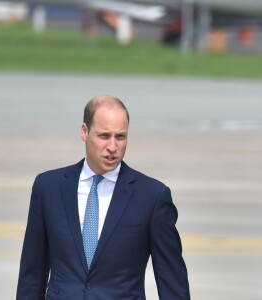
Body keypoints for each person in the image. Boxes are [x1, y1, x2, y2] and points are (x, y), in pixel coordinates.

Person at [16, 95, 190, 300]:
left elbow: (172, 282)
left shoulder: (152, 197)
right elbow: (32, 274)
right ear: (84, 132)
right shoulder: (48, 188)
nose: (113, 147)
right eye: (104, 136)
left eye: (120, 137)